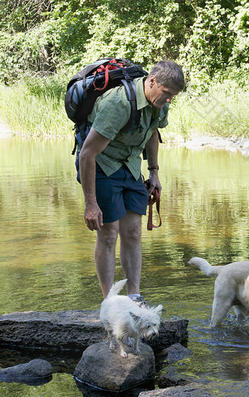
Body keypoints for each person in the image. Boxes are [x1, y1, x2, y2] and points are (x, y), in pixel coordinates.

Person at [78, 60, 184, 302]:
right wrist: (90, 203)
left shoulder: (160, 104)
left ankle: (134, 297)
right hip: (102, 165)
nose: (169, 100)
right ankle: (110, 302)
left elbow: (153, 134)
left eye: (173, 96)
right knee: (108, 233)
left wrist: (154, 172)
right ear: (152, 82)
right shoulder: (119, 103)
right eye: (167, 93)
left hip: (130, 166)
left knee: (134, 232)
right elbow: (87, 154)